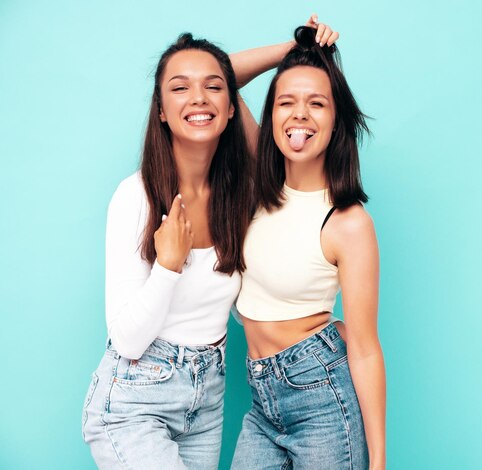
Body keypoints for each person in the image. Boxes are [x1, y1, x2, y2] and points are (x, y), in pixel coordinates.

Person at [81, 17, 338, 469]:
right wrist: (167, 266)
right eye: (179, 89)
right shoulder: (136, 196)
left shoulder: (245, 192)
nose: (198, 99)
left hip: (207, 398)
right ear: (160, 109)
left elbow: (226, 73)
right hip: (134, 400)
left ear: (233, 107)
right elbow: (126, 339)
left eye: (212, 89)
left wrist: (299, 47)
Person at [231, 26, 386, 470]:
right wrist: (295, 49)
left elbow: (364, 348)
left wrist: (378, 462)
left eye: (316, 103)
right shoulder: (261, 176)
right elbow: (221, 75)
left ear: (335, 120)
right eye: (287, 102)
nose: (300, 115)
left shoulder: (347, 222)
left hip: (321, 397)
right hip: (262, 401)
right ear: (273, 113)